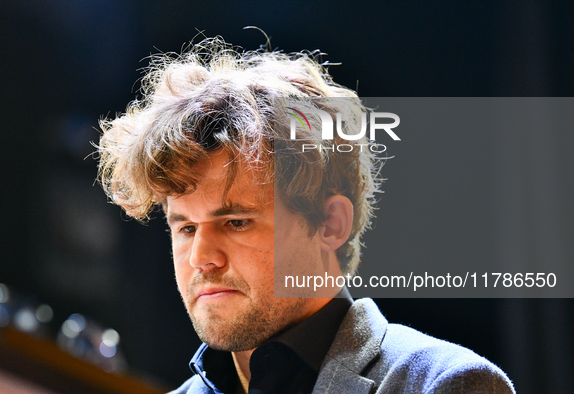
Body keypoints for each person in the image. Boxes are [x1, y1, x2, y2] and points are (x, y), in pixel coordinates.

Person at [97, 38, 515, 394]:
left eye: (236, 222)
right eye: (186, 227)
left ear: (331, 223)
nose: (200, 257)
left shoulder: (447, 384)